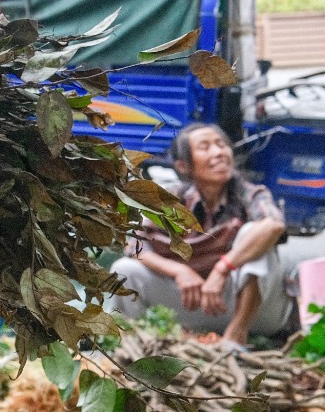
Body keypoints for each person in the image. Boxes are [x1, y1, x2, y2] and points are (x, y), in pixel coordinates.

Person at [110, 123, 294, 347]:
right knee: (123, 270)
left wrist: (222, 268)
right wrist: (179, 271)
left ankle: (236, 334)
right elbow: (133, 246)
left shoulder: (252, 194)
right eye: (205, 147)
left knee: (254, 234)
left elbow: (274, 225)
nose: (219, 153)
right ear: (184, 166)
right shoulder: (172, 197)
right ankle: (139, 346)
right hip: (193, 303)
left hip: (250, 311)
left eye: (221, 145)